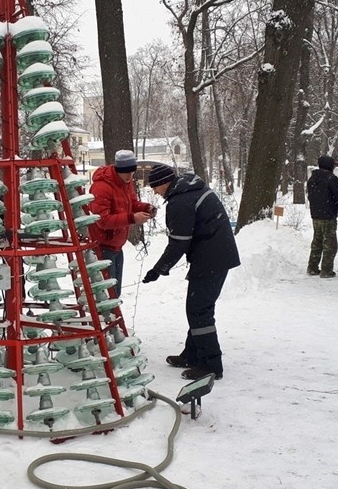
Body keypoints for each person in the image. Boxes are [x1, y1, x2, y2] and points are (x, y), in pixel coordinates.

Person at [142, 164, 240, 381]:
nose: (155, 192)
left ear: (164, 183)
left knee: (199, 310)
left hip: (211, 258)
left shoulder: (181, 200)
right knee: (198, 308)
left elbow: (178, 243)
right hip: (216, 254)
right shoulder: (189, 190)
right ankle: (192, 354)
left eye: (155, 187)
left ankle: (211, 365)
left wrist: (158, 270)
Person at [88, 149, 155, 297]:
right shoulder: (102, 187)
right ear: (118, 170)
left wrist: (145, 207)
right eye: (126, 172)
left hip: (117, 246)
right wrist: (132, 218)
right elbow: (102, 221)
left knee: (114, 293)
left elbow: (131, 203)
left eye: (132, 172)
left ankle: (109, 318)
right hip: (102, 247)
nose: (130, 176)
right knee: (106, 294)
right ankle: (103, 319)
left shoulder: (127, 183)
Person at [306, 154, 338, 278]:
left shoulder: (312, 179)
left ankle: (312, 267)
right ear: (330, 166)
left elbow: (310, 196)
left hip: (316, 215)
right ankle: (326, 270)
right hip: (328, 215)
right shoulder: (331, 178)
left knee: (317, 241)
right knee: (330, 244)